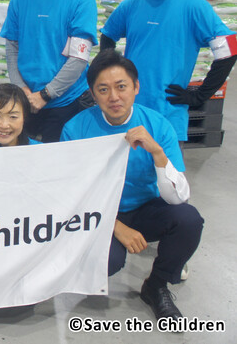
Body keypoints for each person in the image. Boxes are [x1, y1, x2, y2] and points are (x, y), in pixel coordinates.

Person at [61, 50, 203, 321]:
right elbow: (71, 194)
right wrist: (115, 226)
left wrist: (158, 153)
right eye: (103, 89)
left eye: (121, 86)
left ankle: (156, 285)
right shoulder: (75, 130)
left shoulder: (158, 126)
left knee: (188, 220)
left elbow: (178, 197)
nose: (114, 97)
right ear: (93, 94)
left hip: (144, 207)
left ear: (136, 87)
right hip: (98, 211)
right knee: (108, 262)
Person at [100, 0, 237, 143]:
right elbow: (108, 36)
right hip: (127, 111)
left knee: (166, 165)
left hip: (168, 115)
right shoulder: (131, 5)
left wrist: (200, 95)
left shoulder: (194, 6)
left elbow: (229, 50)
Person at [1, 0, 98, 143]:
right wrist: (22, 90)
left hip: (65, 102)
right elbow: (12, 49)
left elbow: (78, 58)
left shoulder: (81, 1)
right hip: (26, 101)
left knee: (59, 161)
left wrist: (46, 94)